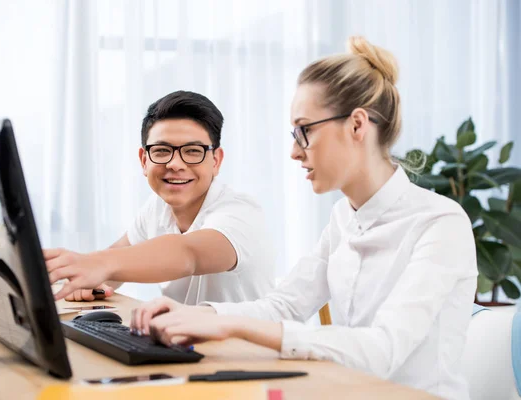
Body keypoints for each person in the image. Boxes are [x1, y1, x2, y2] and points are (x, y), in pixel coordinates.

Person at [129, 37, 477, 400]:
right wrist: (203, 315)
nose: (295, 152)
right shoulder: (343, 218)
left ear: (357, 126)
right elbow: (286, 305)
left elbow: (381, 350)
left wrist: (228, 325)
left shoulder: (440, 223)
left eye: (304, 130)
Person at [46, 91, 275, 305]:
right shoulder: (157, 207)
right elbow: (116, 261)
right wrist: (89, 278)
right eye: (162, 151)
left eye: (193, 151)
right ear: (144, 161)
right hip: (188, 343)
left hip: (247, 347)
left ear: (216, 160)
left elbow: (188, 254)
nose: (175, 164)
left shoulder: (241, 212)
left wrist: (100, 264)